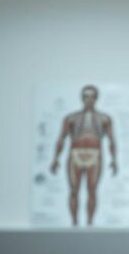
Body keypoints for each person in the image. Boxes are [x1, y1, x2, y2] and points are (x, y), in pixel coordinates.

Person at [49, 85, 118, 226]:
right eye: (86, 96)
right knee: (74, 190)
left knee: (92, 190)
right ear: (82, 98)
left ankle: (90, 223)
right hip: (75, 154)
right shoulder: (71, 118)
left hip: (95, 155)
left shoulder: (104, 119)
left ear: (97, 98)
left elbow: (111, 140)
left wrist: (114, 159)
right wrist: (55, 159)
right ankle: (74, 223)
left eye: (92, 96)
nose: (89, 100)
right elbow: (61, 138)